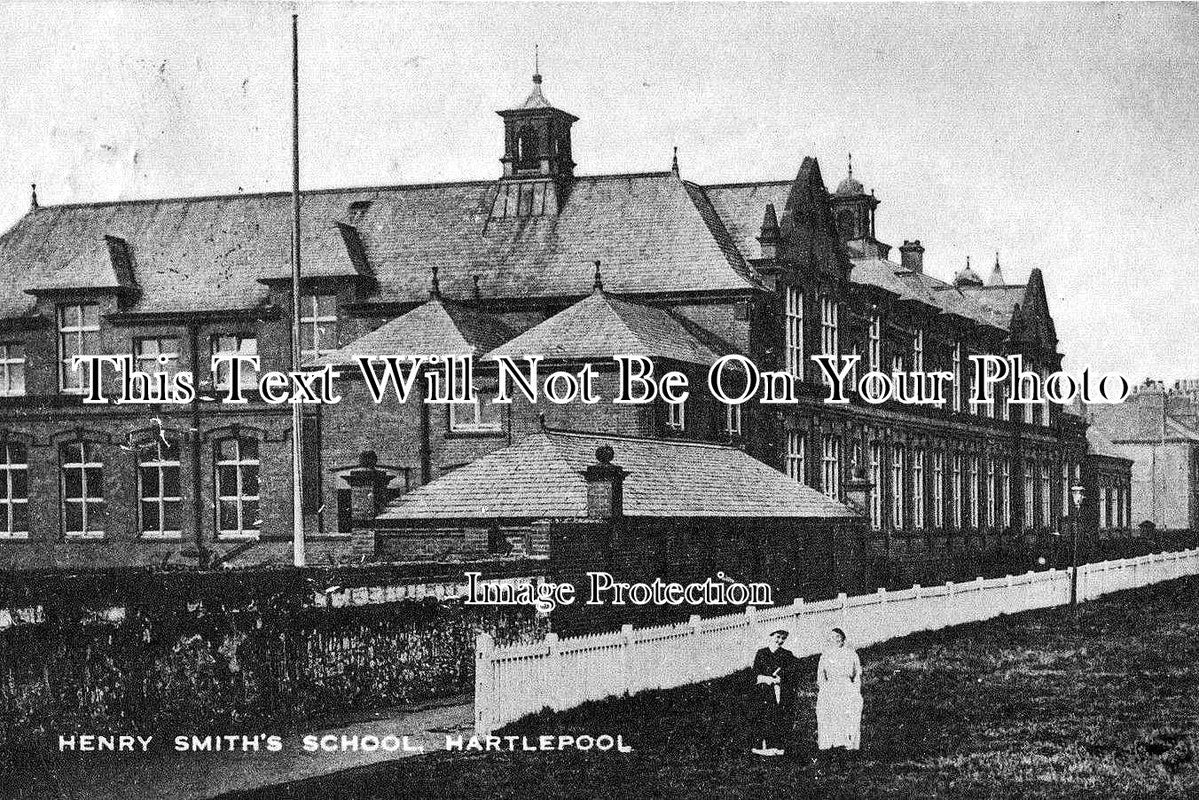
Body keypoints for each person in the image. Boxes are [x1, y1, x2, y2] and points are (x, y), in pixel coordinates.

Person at [751, 629, 798, 756]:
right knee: (765, 715)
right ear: (771, 636)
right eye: (778, 637)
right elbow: (756, 673)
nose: (780, 641)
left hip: (780, 690)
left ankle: (778, 745)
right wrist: (767, 679)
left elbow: (793, 672)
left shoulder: (787, 654)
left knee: (780, 715)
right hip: (764, 690)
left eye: (783, 638)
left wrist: (781, 678)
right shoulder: (762, 653)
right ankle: (764, 746)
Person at [815, 627, 863, 754]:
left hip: (846, 686)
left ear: (843, 638)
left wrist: (855, 690)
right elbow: (821, 676)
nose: (835, 639)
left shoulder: (851, 654)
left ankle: (847, 744)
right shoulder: (825, 655)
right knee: (830, 715)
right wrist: (824, 689)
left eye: (838, 636)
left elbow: (857, 674)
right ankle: (831, 744)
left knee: (846, 715)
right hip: (830, 687)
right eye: (832, 637)